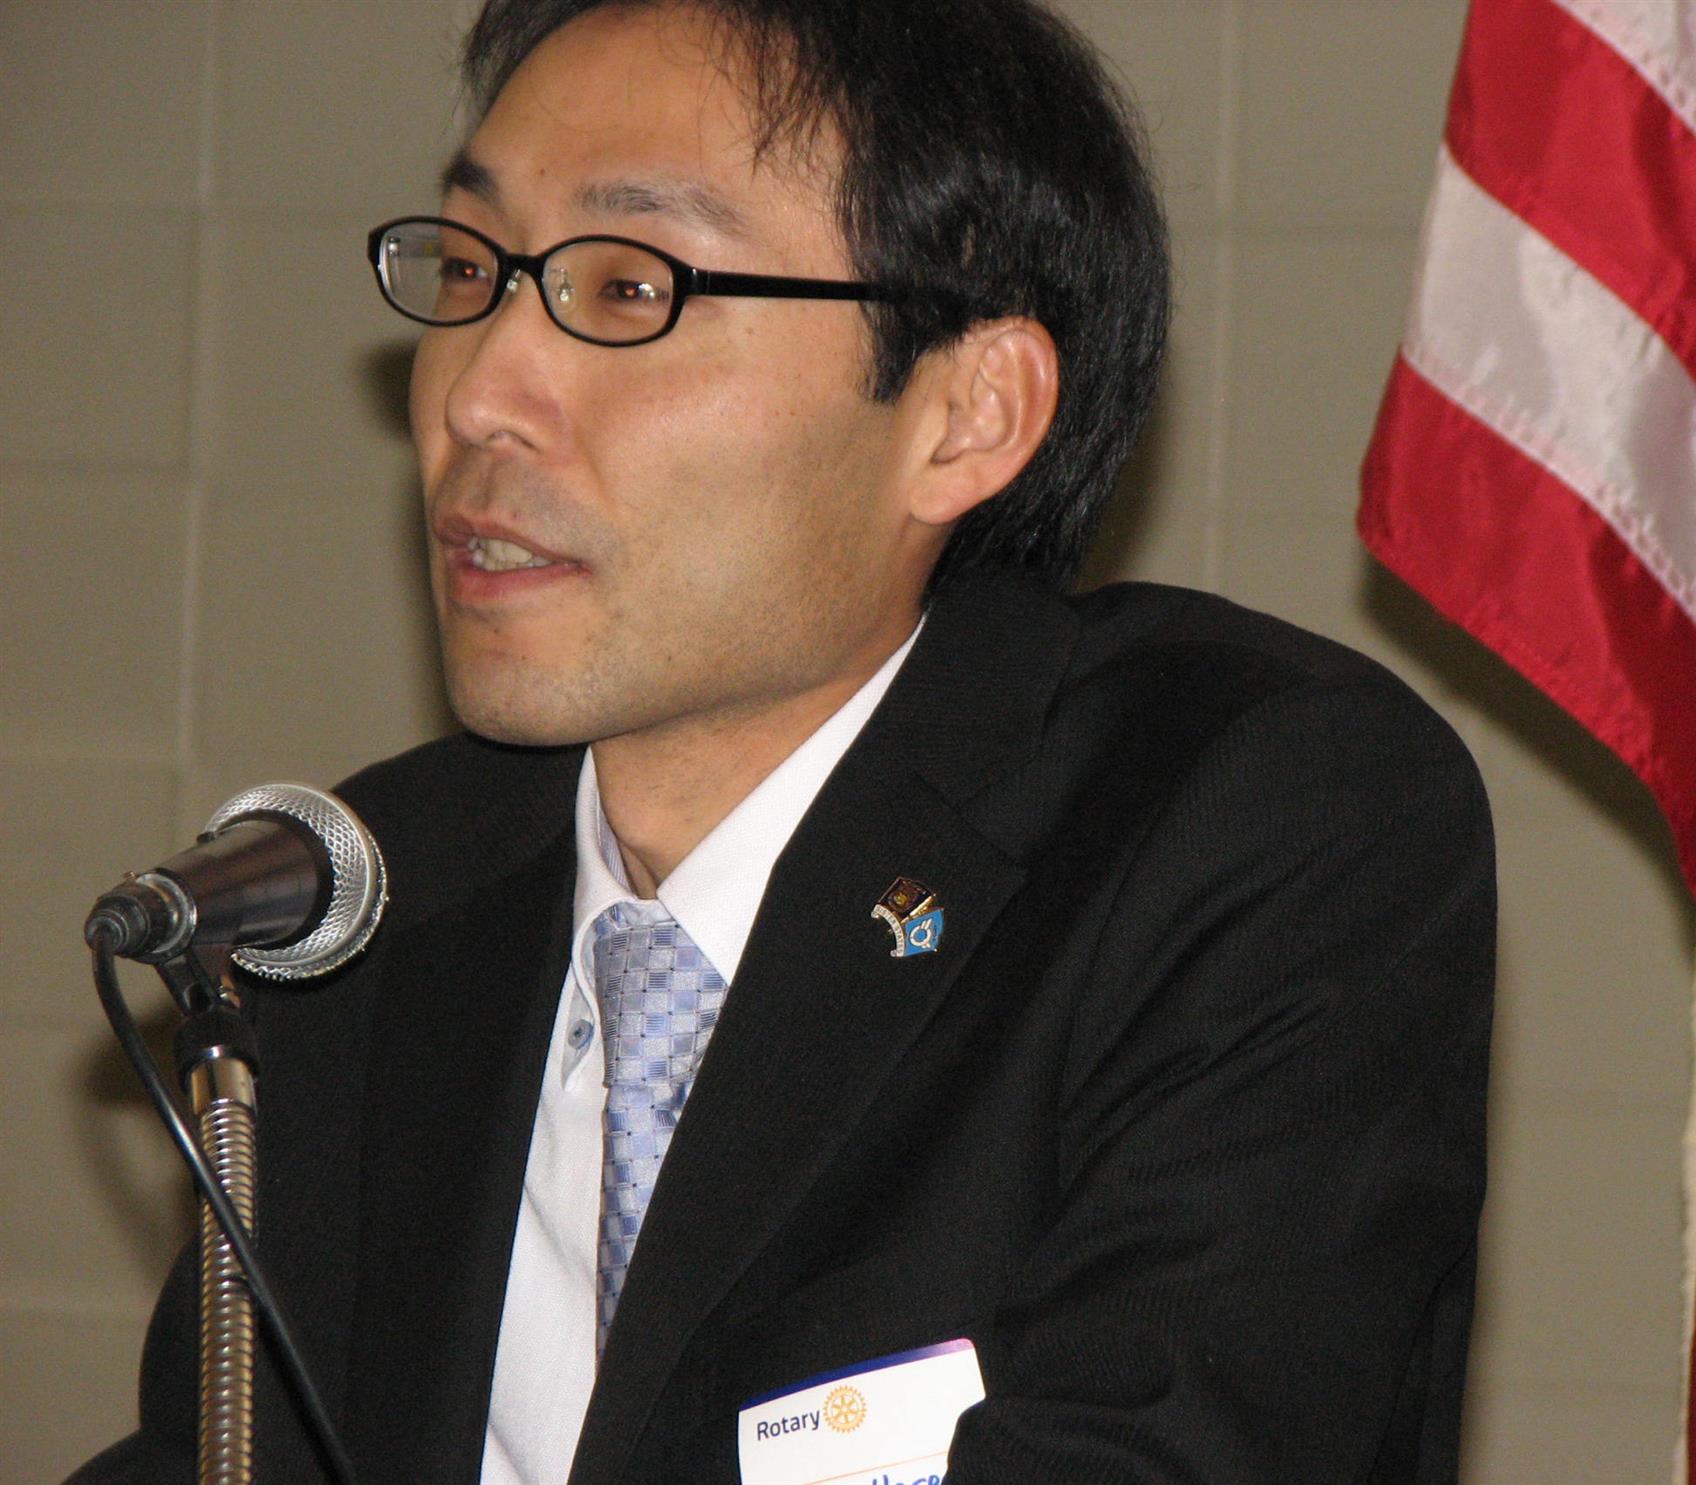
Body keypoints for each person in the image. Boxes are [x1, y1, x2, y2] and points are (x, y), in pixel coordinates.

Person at [74, 1, 1493, 1481]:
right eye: (473, 270)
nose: (481, 393)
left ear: (966, 414)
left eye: (627, 288)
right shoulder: (367, 894)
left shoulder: (1250, 823)